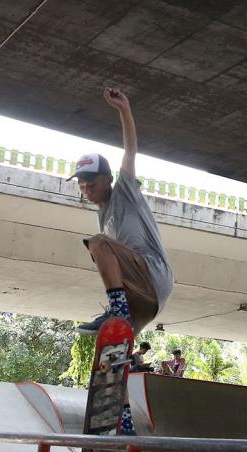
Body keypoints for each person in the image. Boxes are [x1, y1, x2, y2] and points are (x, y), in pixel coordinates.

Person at [72, 88, 174, 434]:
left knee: (98, 244)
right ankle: (125, 422)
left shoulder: (126, 191)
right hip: (143, 299)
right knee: (115, 355)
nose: (86, 189)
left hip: (152, 273)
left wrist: (125, 109)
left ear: (107, 180)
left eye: (91, 183)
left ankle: (116, 308)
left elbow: (130, 149)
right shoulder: (103, 216)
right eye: (81, 185)